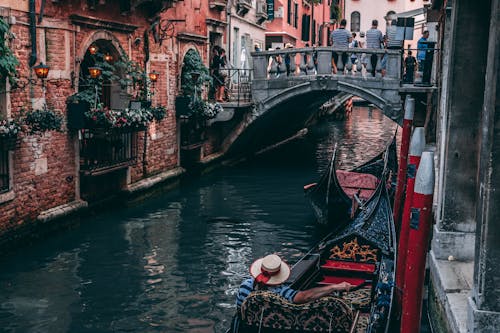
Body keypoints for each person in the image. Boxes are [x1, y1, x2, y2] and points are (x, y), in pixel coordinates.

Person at [235, 254, 353, 308]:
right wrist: (333, 287)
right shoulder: (280, 292)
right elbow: (305, 297)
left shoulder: (245, 286)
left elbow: (240, 310)